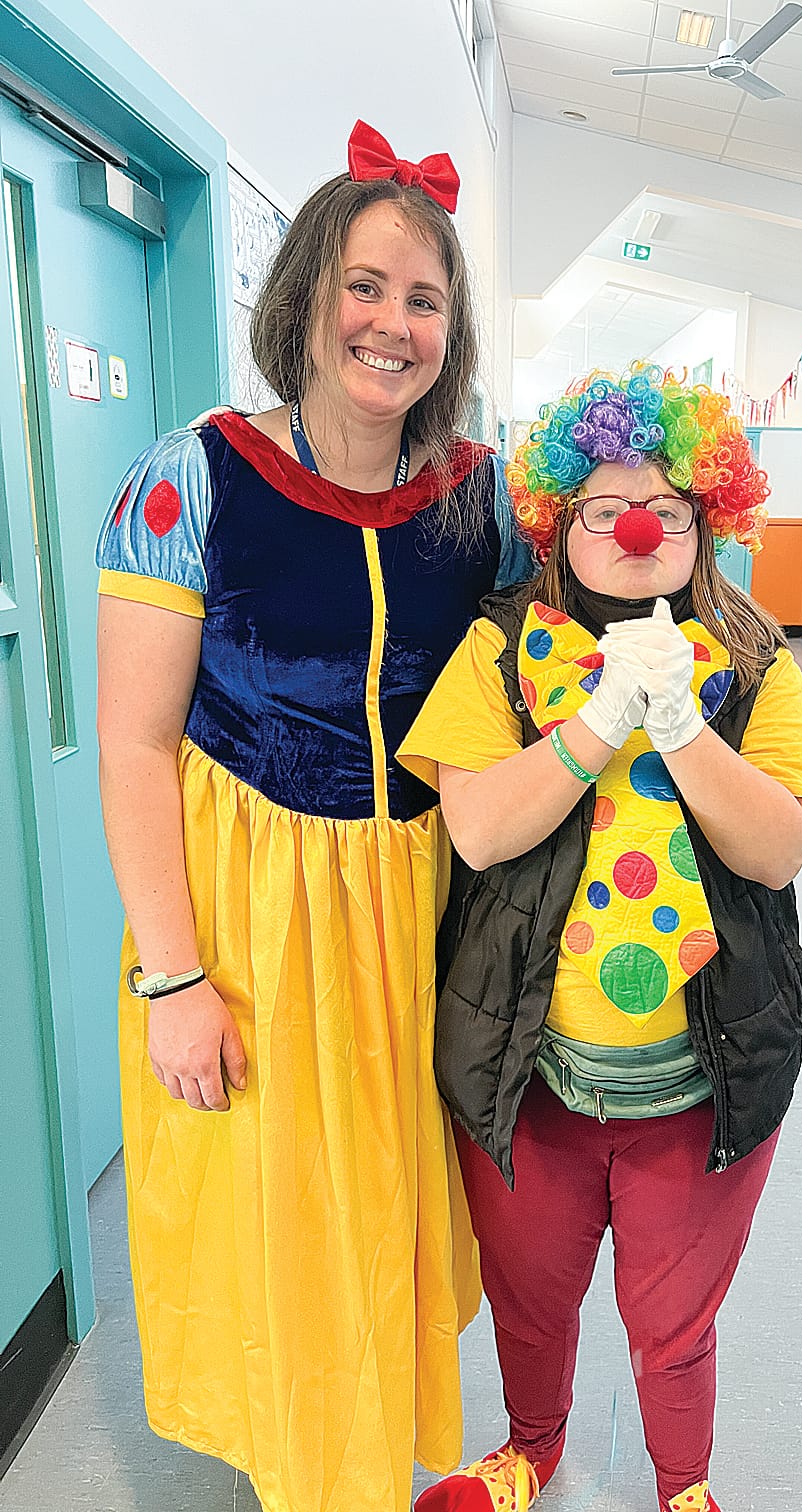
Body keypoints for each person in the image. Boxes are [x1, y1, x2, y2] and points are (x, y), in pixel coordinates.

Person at [95, 121, 532, 1512]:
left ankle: (370, 1462)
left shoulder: (478, 499)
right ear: (305, 295)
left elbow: (546, 675)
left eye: (423, 297)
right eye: (364, 284)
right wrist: (173, 975)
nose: (390, 324)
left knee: (397, 1217)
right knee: (280, 1235)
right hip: (252, 917)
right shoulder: (195, 474)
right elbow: (132, 741)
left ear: (449, 330)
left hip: (420, 915)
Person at [398, 365, 802, 1512]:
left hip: (702, 1077)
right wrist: (597, 724)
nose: (635, 527)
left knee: (672, 1321)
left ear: (703, 526)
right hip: (528, 1071)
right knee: (531, 1297)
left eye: (666, 510)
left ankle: (682, 1485)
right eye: (602, 508)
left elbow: (778, 848)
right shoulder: (498, 653)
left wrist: (683, 725)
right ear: (559, 525)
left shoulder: (756, 664)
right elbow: (481, 829)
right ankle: (529, 1451)